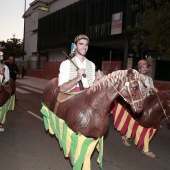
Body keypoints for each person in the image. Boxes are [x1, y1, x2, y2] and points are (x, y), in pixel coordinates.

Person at [121, 59, 158, 158]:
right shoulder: (136, 79)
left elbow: (153, 92)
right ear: (140, 69)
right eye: (144, 67)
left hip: (150, 104)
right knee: (144, 125)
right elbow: (134, 94)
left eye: (147, 67)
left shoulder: (150, 79)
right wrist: (146, 91)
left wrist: (155, 91)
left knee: (137, 124)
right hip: (140, 103)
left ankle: (126, 137)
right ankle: (145, 149)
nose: (146, 69)